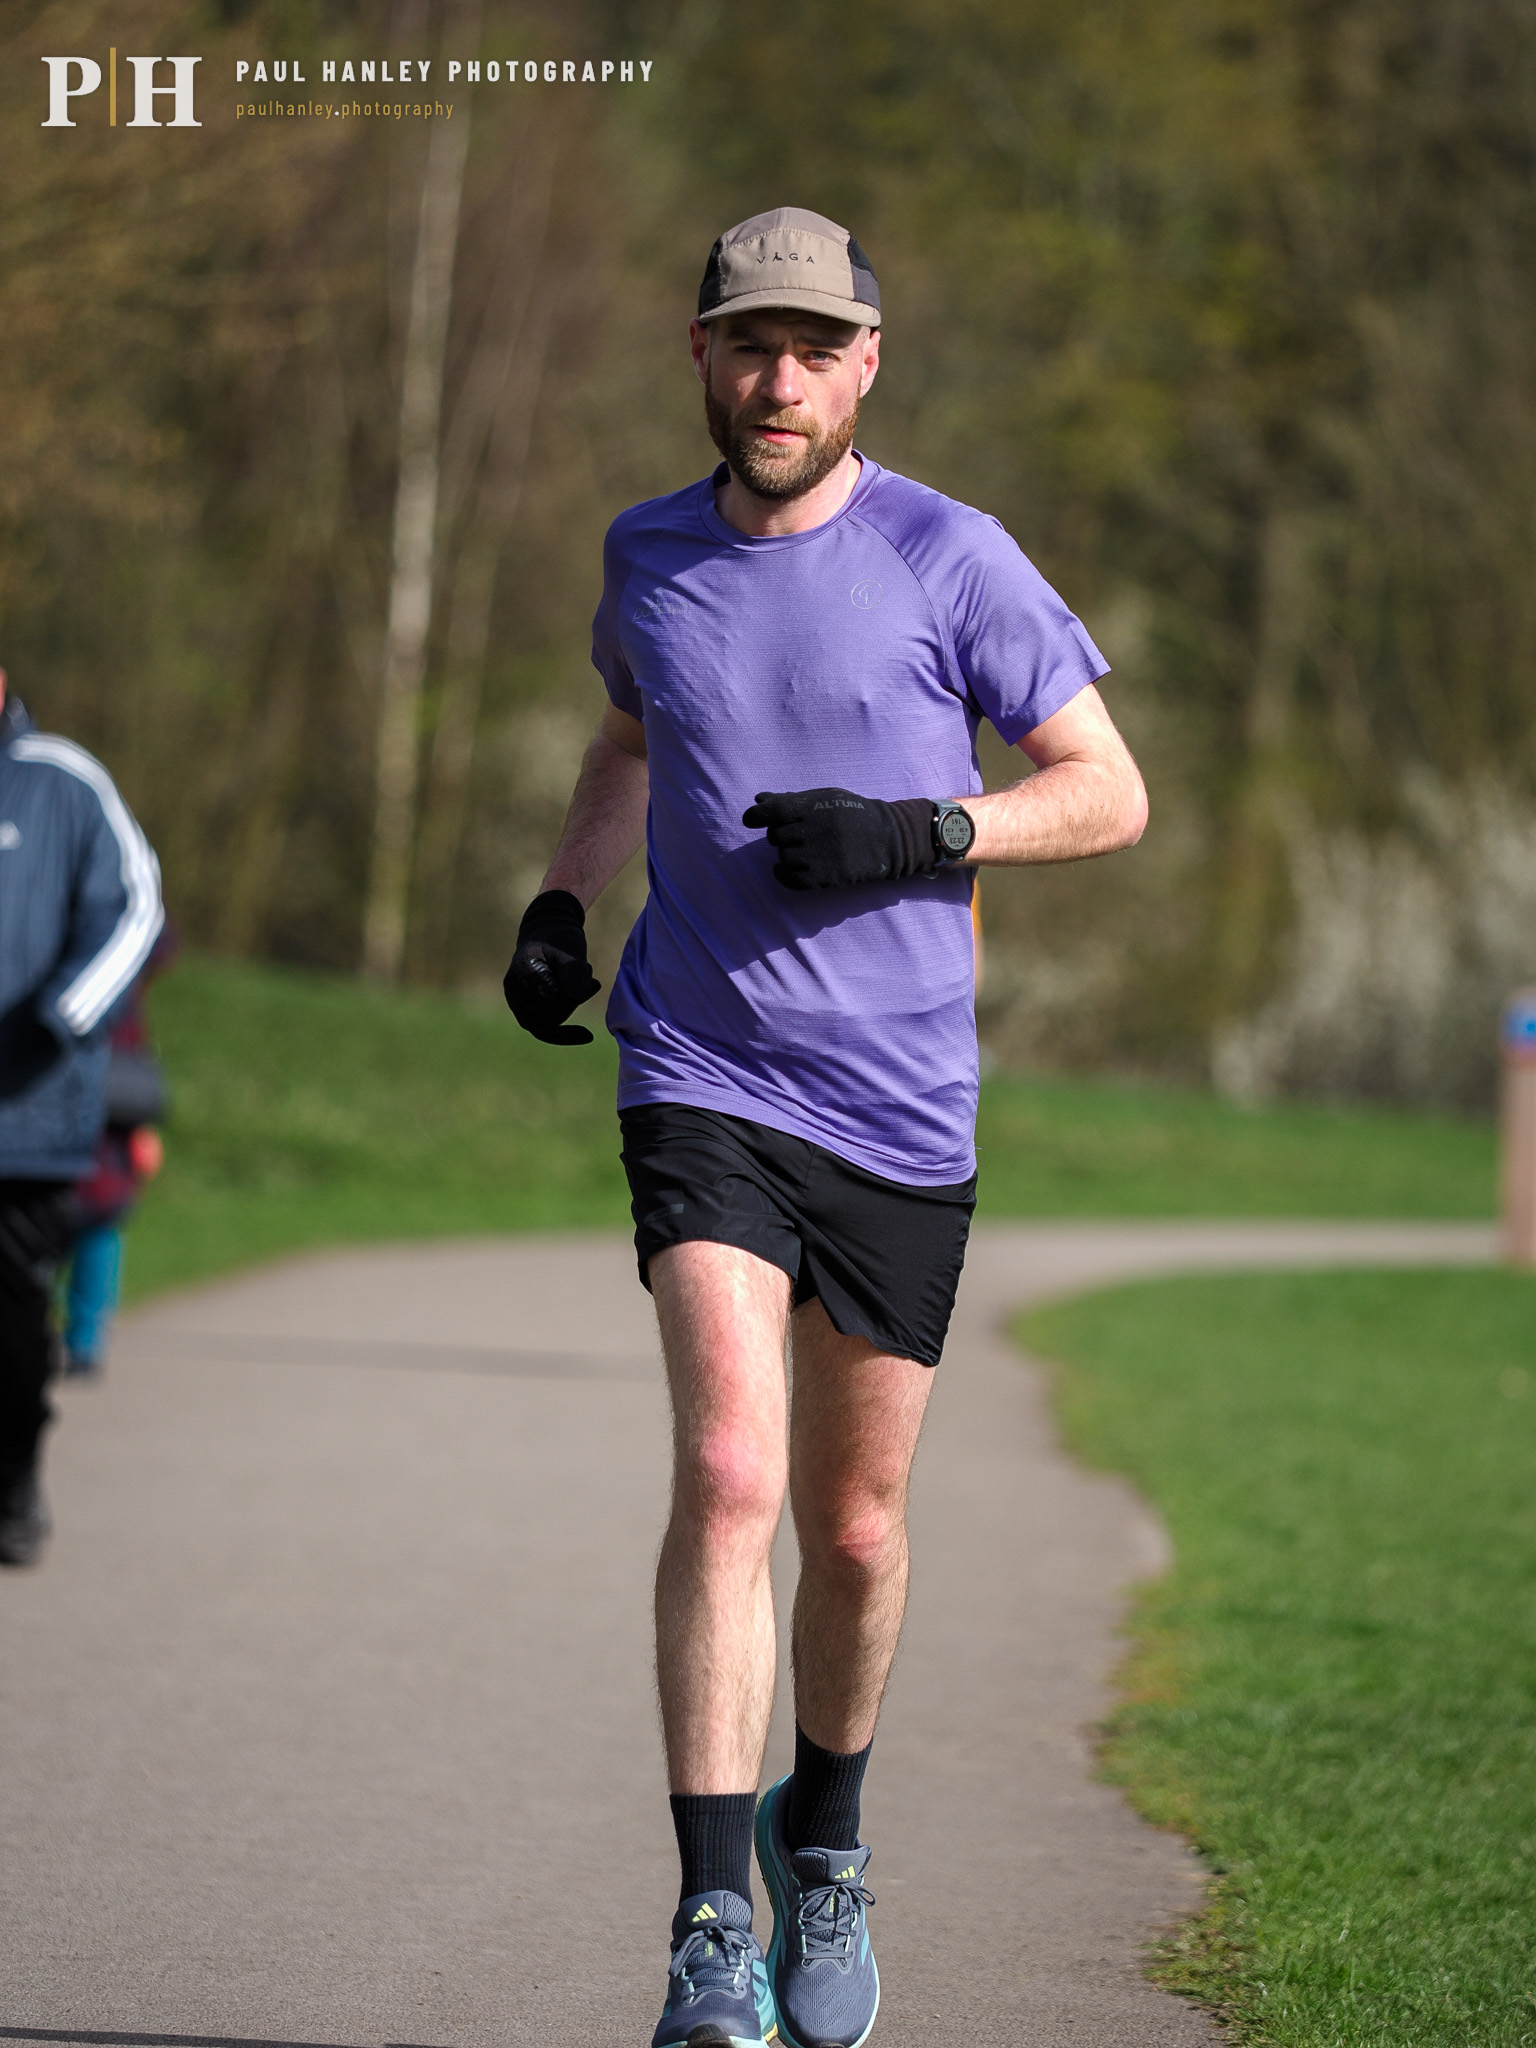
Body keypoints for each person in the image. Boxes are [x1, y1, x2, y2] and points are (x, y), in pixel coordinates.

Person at [502, 207, 1147, 2048]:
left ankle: (829, 1840)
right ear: (697, 358)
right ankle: (714, 1915)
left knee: (854, 1529)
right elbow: (631, 740)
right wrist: (564, 902)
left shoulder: (954, 555)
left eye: (811, 347)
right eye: (742, 343)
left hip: (898, 1103)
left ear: (866, 361)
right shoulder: (645, 556)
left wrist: (930, 830)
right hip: (699, 1065)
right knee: (729, 1478)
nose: (775, 380)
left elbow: (1108, 794)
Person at [0, 669, 163, 1566]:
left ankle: (14, 1468)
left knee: (15, 1312)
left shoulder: (61, 780)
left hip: (24, 1108)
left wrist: (69, 1010)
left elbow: (135, 904)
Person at [63, 922, 176, 1377]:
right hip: (67, 1116)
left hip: (109, 1120)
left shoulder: (122, 978)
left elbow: (162, 943)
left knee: (98, 1227)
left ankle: (84, 1339)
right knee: (80, 1227)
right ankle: (73, 1337)